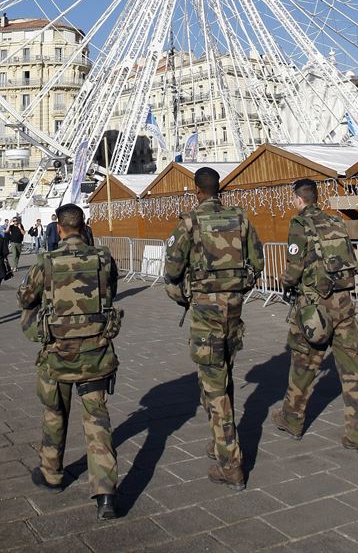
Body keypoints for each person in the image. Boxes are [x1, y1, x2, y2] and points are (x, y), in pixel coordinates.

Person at [18, 203, 121, 521]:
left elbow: (25, 297)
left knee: (54, 413)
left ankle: (51, 473)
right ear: (84, 226)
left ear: (59, 228)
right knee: (97, 422)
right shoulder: (103, 258)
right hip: (96, 353)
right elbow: (111, 292)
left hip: (57, 355)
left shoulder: (47, 261)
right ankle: (105, 494)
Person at [164, 166, 263, 490]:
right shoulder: (241, 218)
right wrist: (236, 290)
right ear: (220, 189)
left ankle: (230, 463)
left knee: (213, 381)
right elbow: (258, 262)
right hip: (233, 310)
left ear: (197, 191)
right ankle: (220, 441)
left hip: (205, 311)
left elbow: (172, 269)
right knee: (225, 374)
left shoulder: (190, 221)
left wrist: (184, 296)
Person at [271, 178, 358, 455]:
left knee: (304, 365)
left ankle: (291, 420)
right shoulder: (336, 222)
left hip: (315, 308)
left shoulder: (299, 224)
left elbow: (293, 270)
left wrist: (285, 282)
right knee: (352, 371)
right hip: (344, 305)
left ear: (298, 199)